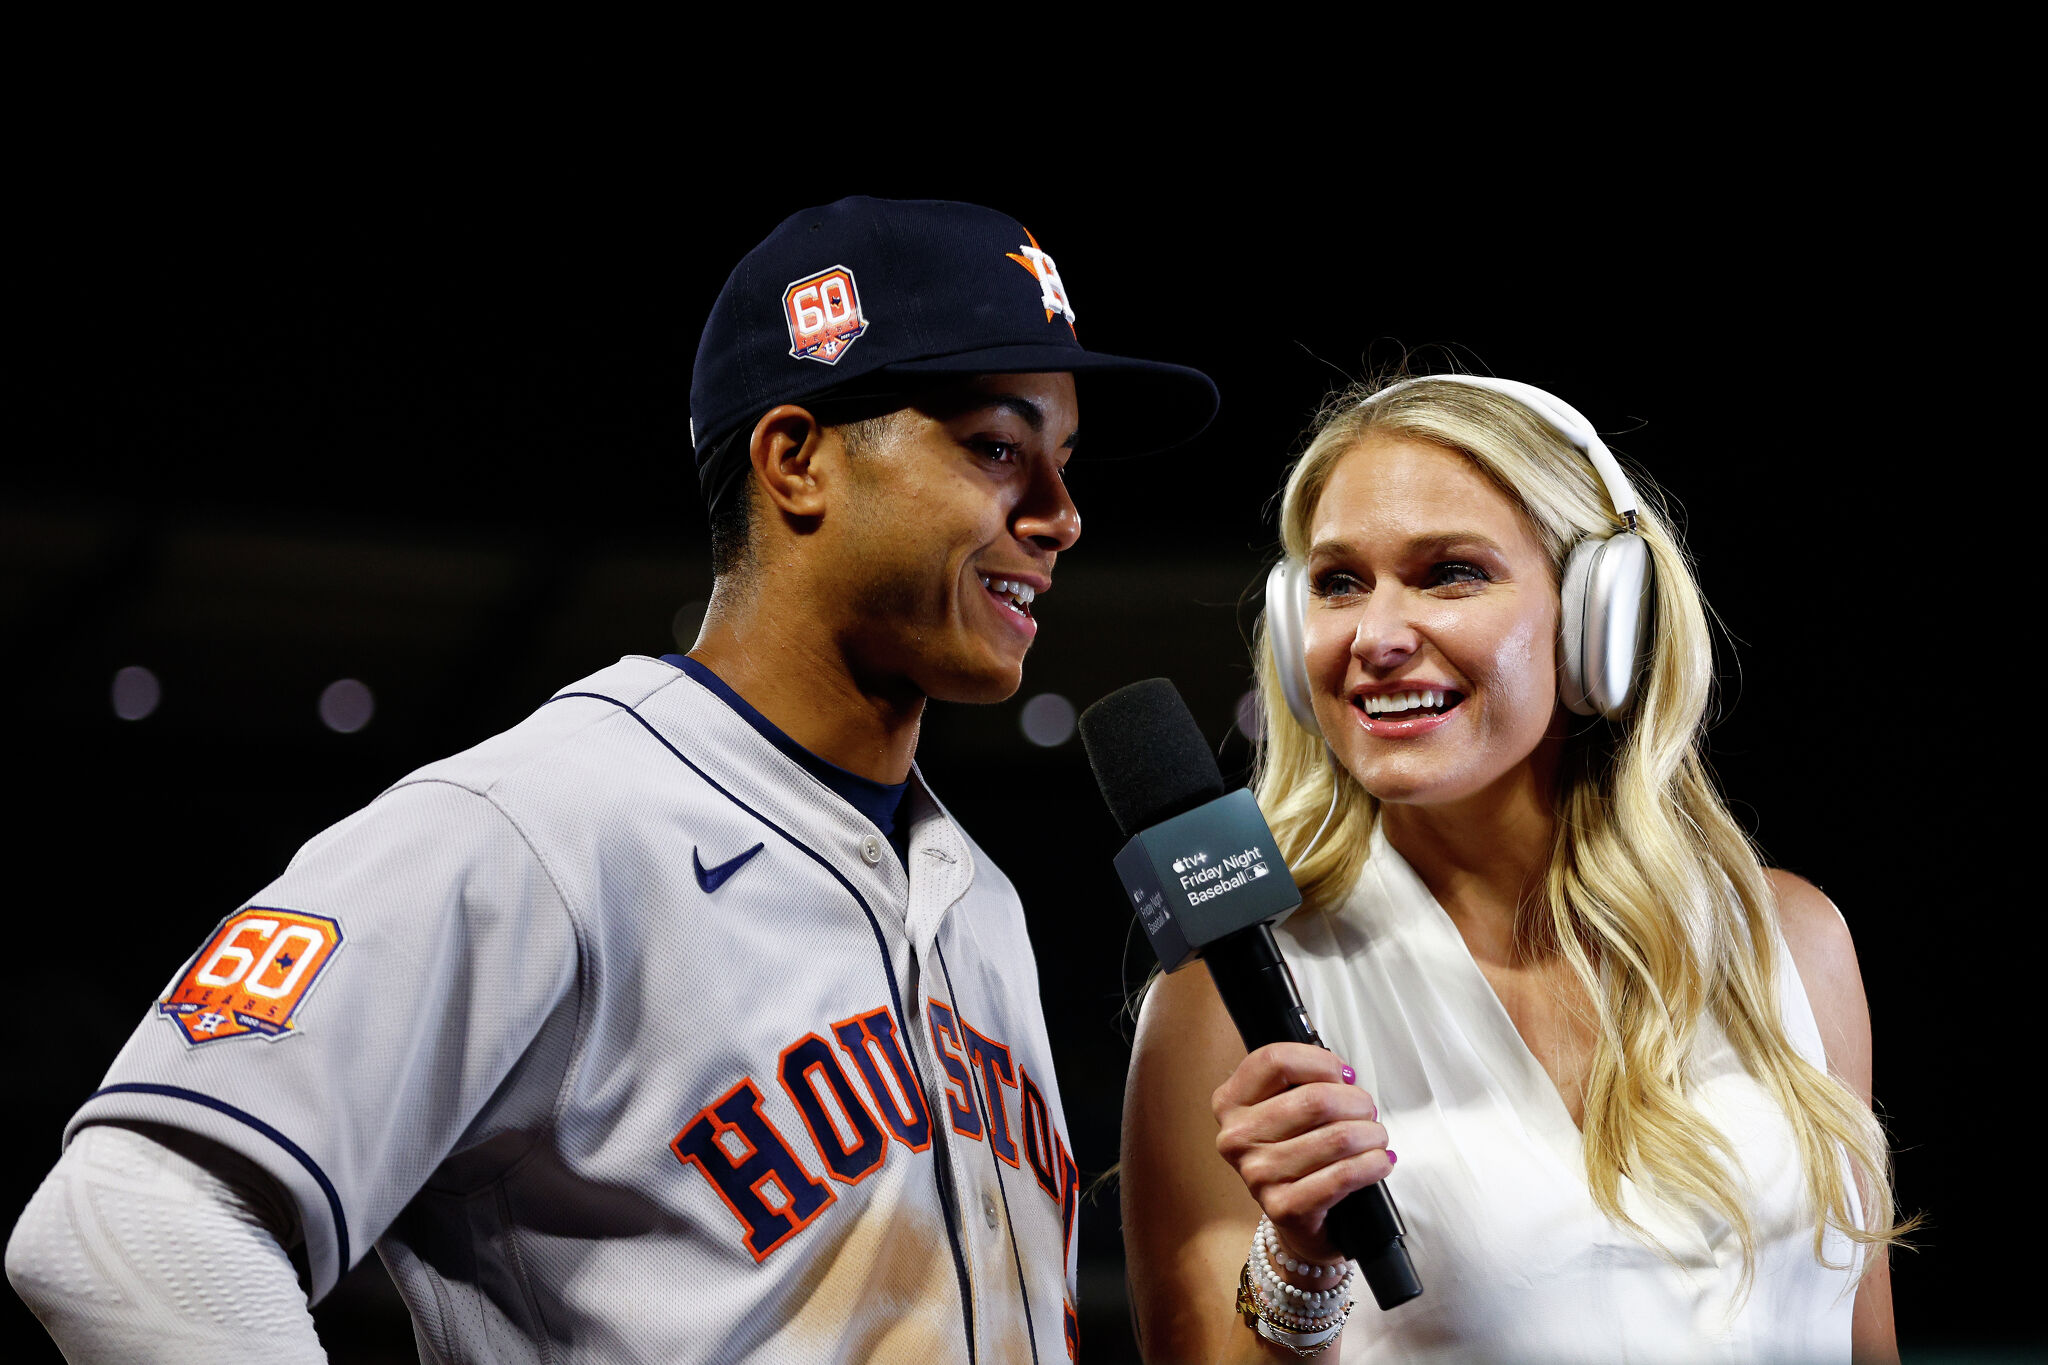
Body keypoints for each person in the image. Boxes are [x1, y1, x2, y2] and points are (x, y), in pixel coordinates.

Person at [6, 196, 1217, 1363]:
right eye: (999, 448)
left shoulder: (981, 901)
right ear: (796, 461)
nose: (1059, 514)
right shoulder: (537, 824)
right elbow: (123, 1224)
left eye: (1064, 462)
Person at [1120, 373, 1908, 1362]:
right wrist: (1301, 1262)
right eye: (1338, 583)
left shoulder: (1790, 941)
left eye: (1448, 572)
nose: (1377, 637)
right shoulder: (1217, 1004)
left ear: (1595, 617)